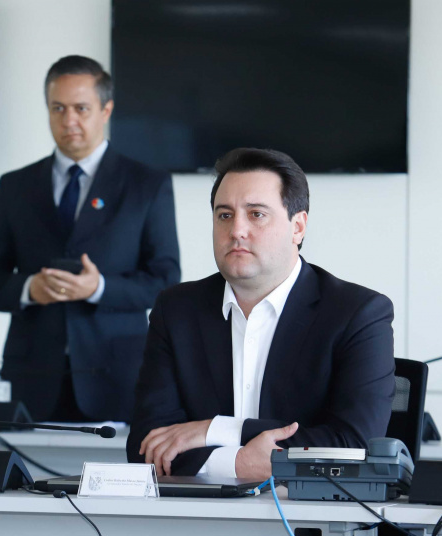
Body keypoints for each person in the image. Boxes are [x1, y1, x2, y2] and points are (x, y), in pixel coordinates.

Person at [127, 148, 395, 480]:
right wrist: (241, 464)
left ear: (297, 227)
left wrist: (215, 430)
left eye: (256, 214)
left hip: (314, 521)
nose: (237, 230)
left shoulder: (357, 313)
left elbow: (354, 445)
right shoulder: (177, 310)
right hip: (196, 519)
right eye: (224, 215)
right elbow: (147, 445)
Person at [0, 55, 180, 422]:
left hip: (117, 378)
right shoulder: (15, 186)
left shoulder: (147, 184)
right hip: (31, 380)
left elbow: (165, 281)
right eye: (58, 108)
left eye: (81, 108)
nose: (69, 121)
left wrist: (98, 288)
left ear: (106, 110)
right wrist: (29, 289)